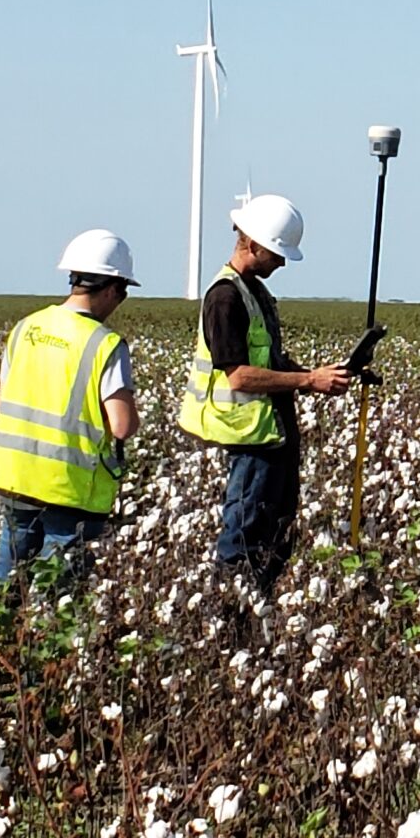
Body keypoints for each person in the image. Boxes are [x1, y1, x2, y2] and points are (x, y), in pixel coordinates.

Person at [178, 194, 359, 597]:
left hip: (270, 436)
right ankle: (228, 615)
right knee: (243, 537)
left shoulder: (253, 292)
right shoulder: (224, 298)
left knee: (276, 532)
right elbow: (239, 376)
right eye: (277, 254)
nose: (280, 263)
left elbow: (270, 360)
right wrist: (308, 381)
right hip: (249, 440)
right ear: (253, 245)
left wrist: (320, 375)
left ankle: (256, 606)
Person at [0, 229, 141, 582]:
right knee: (56, 596)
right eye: (124, 292)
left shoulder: (26, 327)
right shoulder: (105, 343)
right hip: (69, 488)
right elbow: (122, 426)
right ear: (113, 288)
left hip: (14, 476)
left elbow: (5, 396)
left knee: (5, 583)